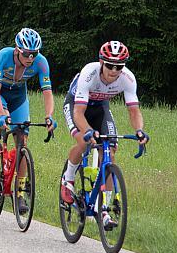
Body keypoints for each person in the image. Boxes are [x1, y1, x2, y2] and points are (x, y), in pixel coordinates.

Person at [60, 41, 149, 230]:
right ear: (101, 62)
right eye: (110, 65)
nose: (114, 70)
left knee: (110, 151)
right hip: (77, 106)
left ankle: (104, 208)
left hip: (101, 108)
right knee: (84, 143)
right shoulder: (89, 73)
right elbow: (78, 113)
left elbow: (134, 111)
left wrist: (139, 131)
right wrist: (87, 131)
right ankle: (67, 179)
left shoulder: (128, 78)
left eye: (119, 66)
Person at [0, 28, 56, 213]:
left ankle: (20, 192)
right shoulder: (3, 56)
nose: (30, 58)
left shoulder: (41, 63)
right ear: (17, 49)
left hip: (18, 97)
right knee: (0, 118)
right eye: (26, 54)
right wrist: (0, 114)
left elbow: (47, 93)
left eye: (34, 54)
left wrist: (49, 116)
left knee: (22, 142)